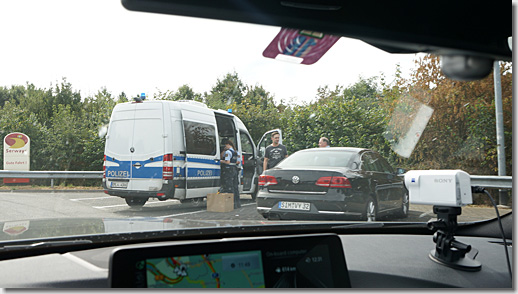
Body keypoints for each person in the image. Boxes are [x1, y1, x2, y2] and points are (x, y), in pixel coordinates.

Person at [220, 140, 241, 209]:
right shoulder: (236, 152)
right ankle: (237, 204)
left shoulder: (228, 152)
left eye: (226, 145)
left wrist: (221, 161)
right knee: (235, 187)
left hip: (229, 170)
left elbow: (227, 162)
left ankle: (232, 204)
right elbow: (238, 161)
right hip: (235, 169)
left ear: (228, 145)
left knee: (229, 186)